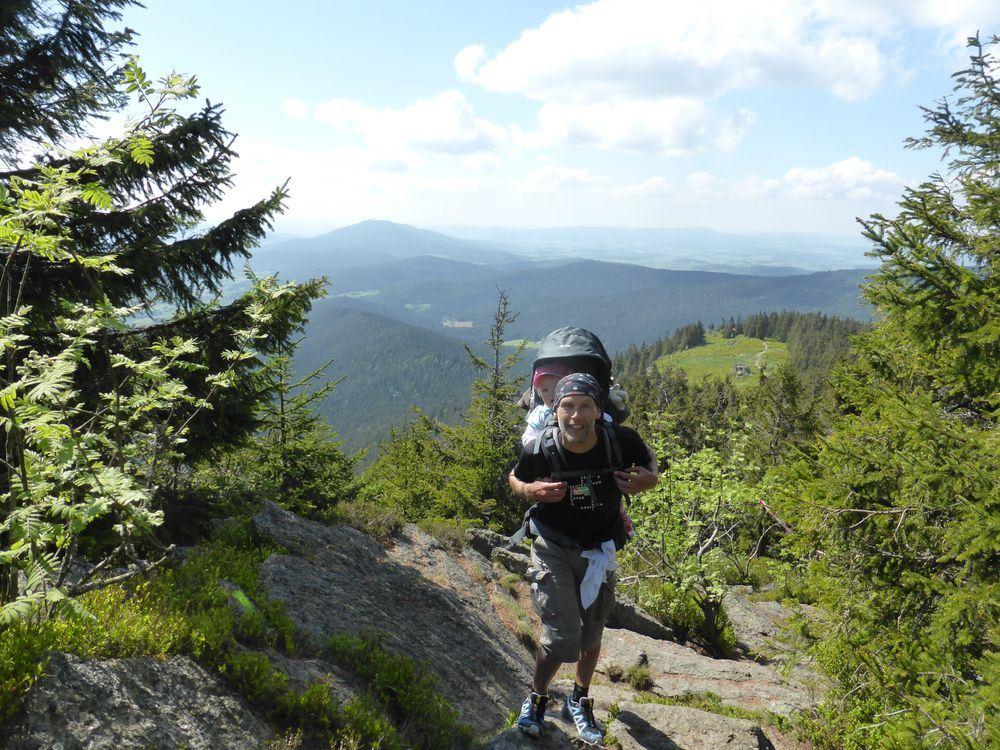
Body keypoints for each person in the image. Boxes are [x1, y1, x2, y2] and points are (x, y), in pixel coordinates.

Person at [508, 373, 658, 744]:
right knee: (562, 638)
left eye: (585, 406)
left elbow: (650, 462)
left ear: (598, 410)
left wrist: (648, 480)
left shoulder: (618, 442)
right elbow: (515, 477)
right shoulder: (541, 448)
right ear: (554, 410)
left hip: (599, 551)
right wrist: (530, 489)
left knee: (591, 635)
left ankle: (578, 698)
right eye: (568, 406)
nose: (576, 415)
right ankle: (537, 698)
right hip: (553, 547)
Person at [521, 364, 569, 446]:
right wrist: (538, 446)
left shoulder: (572, 410)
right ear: (540, 394)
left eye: (557, 388)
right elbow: (528, 437)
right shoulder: (540, 414)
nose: (551, 393)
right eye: (545, 390)